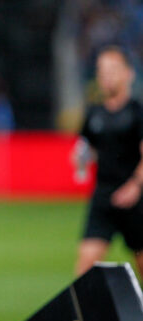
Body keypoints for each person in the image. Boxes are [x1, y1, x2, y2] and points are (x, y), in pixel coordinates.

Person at [74, 46, 143, 278]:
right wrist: (81, 160)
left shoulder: (137, 112)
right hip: (103, 196)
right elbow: (87, 147)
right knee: (85, 267)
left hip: (135, 198)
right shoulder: (94, 113)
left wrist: (135, 185)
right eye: (101, 71)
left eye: (112, 70)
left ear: (128, 74)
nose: (107, 76)